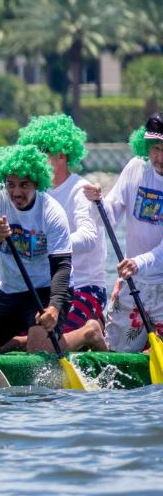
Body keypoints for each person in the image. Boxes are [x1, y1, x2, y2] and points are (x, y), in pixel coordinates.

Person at [17, 114, 108, 351]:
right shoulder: (36, 193)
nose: (37, 156)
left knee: (33, 344)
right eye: (34, 150)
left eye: (43, 150)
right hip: (50, 289)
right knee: (16, 337)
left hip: (86, 288)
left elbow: (88, 238)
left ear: (62, 155)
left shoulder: (80, 190)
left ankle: (91, 331)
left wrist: (47, 244)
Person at [0, 145, 73, 353]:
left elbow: (62, 267)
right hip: (9, 292)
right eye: (11, 184)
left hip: (44, 293)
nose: (16, 192)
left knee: (39, 351)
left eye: (24, 185)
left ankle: (85, 333)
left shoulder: (52, 212)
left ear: (37, 183)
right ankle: (15, 340)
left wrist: (53, 307)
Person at [84, 115, 163, 352]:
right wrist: (97, 202)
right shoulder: (135, 168)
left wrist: (137, 263)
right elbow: (107, 218)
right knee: (116, 355)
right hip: (132, 283)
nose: (159, 157)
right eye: (155, 149)